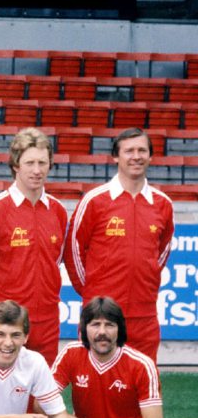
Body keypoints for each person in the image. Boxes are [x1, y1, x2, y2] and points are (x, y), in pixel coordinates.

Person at [66, 128, 174, 362]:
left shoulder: (163, 204)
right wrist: (92, 291)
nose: (136, 156)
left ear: (150, 156)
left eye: (142, 150)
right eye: (129, 151)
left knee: (143, 387)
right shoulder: (94, 200)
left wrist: (147, 279)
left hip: (144, 315)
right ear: (116, 157)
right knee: (95, 386)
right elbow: (73, 250)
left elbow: (162, 251)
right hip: (101, 315)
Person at [0, 128, 68, 363]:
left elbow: (56, 261)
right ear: (16, 165)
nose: (37, 170)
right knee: (1, 391)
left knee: (43, 393)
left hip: (47, 321)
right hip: (6, 322)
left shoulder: (58, 211)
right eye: (30, 162)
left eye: (43, 162)